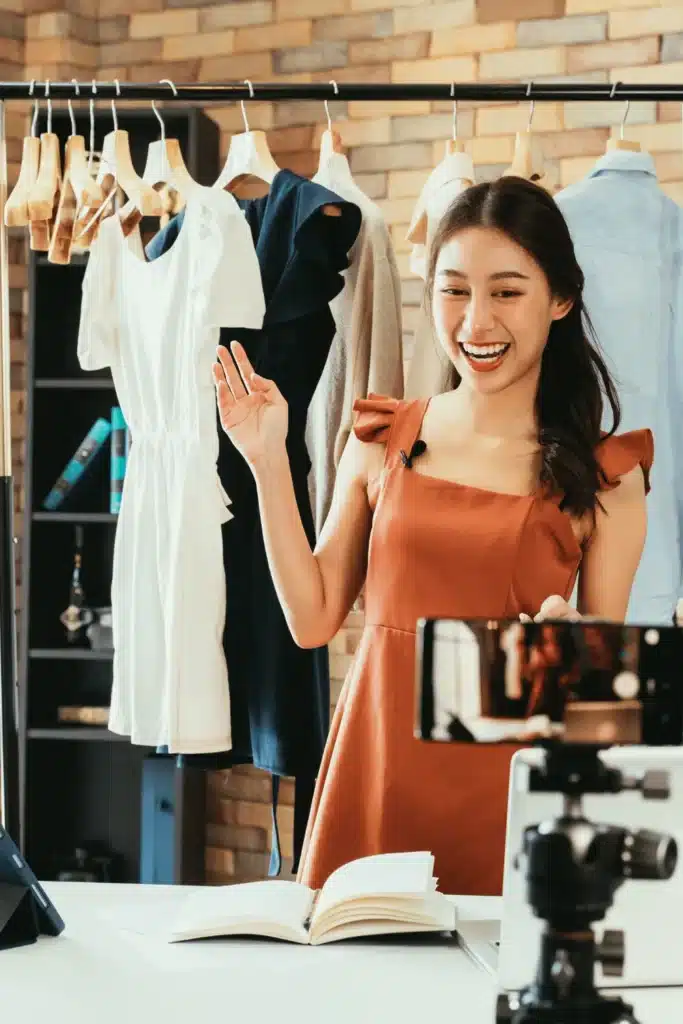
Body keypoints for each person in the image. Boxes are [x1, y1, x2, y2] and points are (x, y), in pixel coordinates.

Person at [211, 177, 652, 896]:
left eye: (506, 292)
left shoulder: (604, 474)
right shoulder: (385, 434)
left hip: (508, 788)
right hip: (376, 767)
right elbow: (312, 617)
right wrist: (266, 461)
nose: (475, 322)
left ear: (560, 299)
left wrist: (573, 647)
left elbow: (604, 710)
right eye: (454, 291)